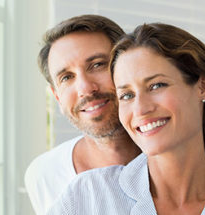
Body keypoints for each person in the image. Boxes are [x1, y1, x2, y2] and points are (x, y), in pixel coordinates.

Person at [47, 23, 205, 215]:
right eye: (126, 95)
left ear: (202, 86)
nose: (140, 109)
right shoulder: (87, 196)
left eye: (157, 86)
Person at [24, 15, 141, 215]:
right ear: (58, 97)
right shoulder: (43, 175)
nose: (85, 88)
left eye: (97, 65)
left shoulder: (182, 160)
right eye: (67, 77)